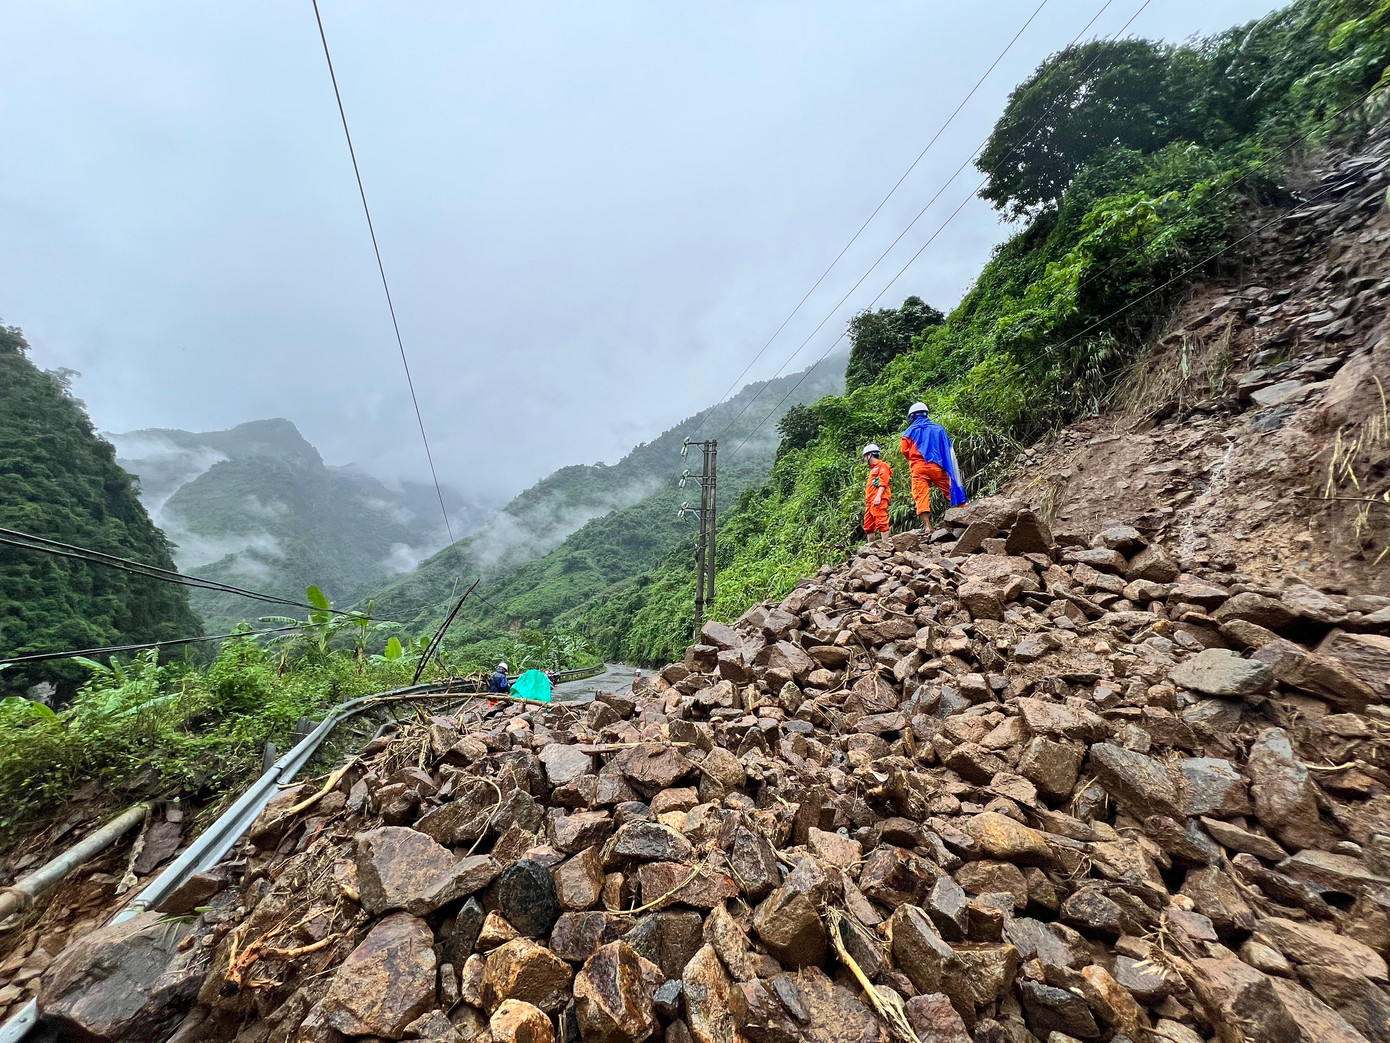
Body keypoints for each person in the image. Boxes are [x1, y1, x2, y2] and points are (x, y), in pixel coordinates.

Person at [899, 402, 967, 532]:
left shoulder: (908, 432)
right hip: (937, 466)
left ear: (911, 417)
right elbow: (946, 449)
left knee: (921, 496)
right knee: (950, 489)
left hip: (918, 468)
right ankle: (966, 513)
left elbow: (905, 451)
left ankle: (927, 527)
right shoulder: (938, 429)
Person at [861, 443, 891, 542]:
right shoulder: (872, 469)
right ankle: (870, 548)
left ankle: (885, 545)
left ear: (870, 455)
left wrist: (878, 496)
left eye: (865, 456)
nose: (865, 459)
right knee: (868, 525)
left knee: (882, 521)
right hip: (870, 502)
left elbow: (883, 482)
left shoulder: (883, 466)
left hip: (879, 499)